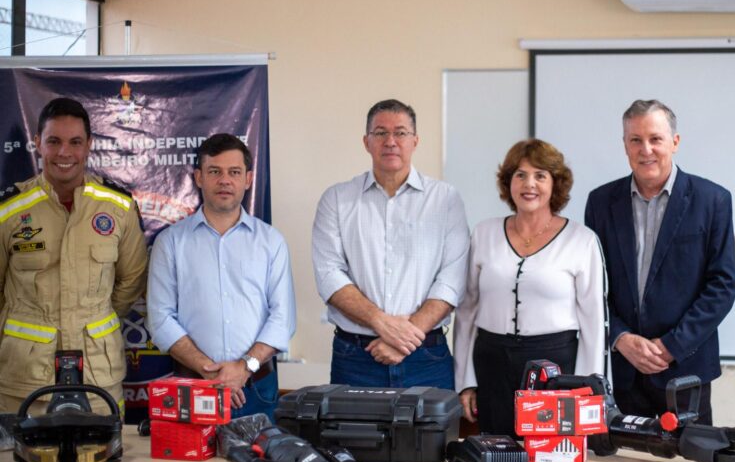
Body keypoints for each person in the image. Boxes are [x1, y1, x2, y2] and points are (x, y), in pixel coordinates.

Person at [585, 99, 735, 422]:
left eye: (656, 139)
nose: (646, 150)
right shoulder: (600, 202)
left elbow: (722, 286)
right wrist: (620, 338)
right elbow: (592, 285)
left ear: (675, 142)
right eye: (636, 140)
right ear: (624, 145)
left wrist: (671, 346)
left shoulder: (713, 200)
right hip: (623, 372)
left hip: (686, 371)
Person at [0, 97, 147, 415]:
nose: (64, 153)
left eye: (75, 142)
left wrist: (93, 318)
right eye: (54, 141)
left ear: (89, 145)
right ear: (38, 143)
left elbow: (133, 278)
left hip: (98, 375)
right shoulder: (9, 210)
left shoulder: (118, 207)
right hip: (24, 379)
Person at [312, 99, 470, 389]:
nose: (391, 141)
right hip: (356, 358)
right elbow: (329, 275)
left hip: (426, 357)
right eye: (380, 133)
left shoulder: (446, 199)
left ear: (415, 141)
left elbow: (452, 278)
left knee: (434, 437)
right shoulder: (336, 199)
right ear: (366, 142)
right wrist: (381, 323)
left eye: (400, 132)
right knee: (350, 437)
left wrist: (404, 339)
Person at [453, 139, 605, 435]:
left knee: (549, 461)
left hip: (555, 365)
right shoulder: (483, 233)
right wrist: (466, 381)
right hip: (491, 363)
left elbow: (593, 320)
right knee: (495, 457)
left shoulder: (581, 240)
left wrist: (587, 388)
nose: (528, 184)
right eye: (519, 175)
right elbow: (467, 311)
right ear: (508, 182)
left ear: (555, 183)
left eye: (540, 175)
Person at [147, 134, 295, 420]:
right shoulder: (171, 242)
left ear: (248, 179)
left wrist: (244, 367)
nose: (225, 180)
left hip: (256, 388)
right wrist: (208, 371)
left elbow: (283, 318)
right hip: (193, 386)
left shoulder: (271, 241)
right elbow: (160, 318)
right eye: (215, 171)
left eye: (234, 172)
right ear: (198, 177)